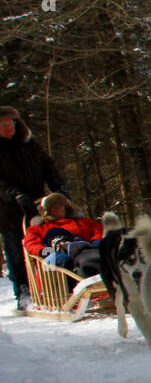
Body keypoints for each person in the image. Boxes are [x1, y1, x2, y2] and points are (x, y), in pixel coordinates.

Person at [0, 107, 66, 310]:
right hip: (8, 211)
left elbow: (48, 165)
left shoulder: (29, 145)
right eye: (3, 125)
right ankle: (23, 292)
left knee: (47, 245)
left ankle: (55, 287)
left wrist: (58, 186)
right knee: (17, 253)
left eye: (11, 124)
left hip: (38, 206)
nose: (8, 128)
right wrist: (15, 194)